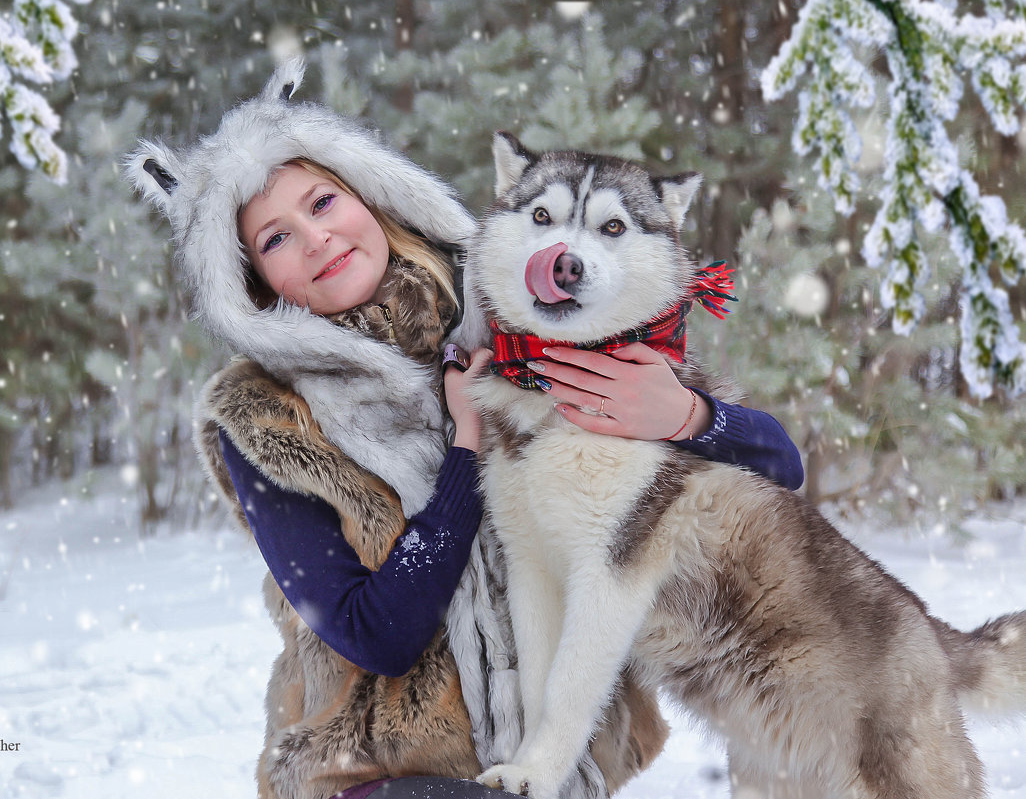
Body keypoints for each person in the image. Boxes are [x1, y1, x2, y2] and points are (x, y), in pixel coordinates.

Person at [128, 60, 803, 799]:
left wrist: (689, 417)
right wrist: (465, 450)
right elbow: (379, 634)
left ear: (372, 196)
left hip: (553, 772)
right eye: (276, 239)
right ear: (253, 279)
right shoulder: (263, 417)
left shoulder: (520, 316)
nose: (317, 237)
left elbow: (778, 465)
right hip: (383, 780)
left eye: (323, 201)